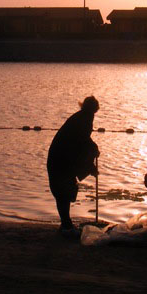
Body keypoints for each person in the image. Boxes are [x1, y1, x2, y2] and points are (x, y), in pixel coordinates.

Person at [46, 96, 100, 232]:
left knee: (64, 191)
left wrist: (92, 152)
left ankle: (66, 223)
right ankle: (66, 224)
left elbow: (83, 140)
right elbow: (82, 141)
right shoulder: (83, 119)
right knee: (63, 192)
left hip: (62, 159)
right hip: (61, 159)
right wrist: (91, 163)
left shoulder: (83, 117)